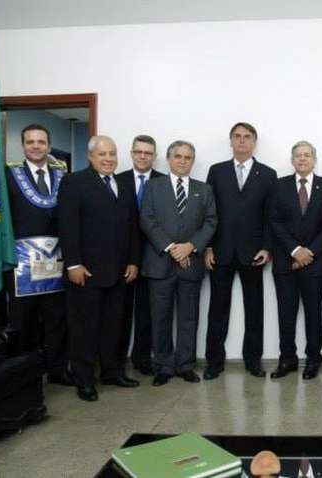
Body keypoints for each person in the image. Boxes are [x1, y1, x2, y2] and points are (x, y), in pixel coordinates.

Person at [58, 135, 141, 401]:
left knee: (113, 326)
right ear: (91, 157)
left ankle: (112, 372)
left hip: (119, 272)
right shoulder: (74, 182)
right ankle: (84, 380)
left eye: (112, 154)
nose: (108, 159)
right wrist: (73, 263)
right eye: (102, 154)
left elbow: (132, 227)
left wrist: (133, 261)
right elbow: (67, 225)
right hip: (86, 271)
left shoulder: (124, 185)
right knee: (85, 328)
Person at [203, 122, 278, 380]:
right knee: (217, 310)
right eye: (237, 136)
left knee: (254, 310)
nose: (242, 141)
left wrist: (267, 248)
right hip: (221, 252)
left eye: (247, 137)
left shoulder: (268, 174)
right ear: (231, 141)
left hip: (253, 253)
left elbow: (271, 216)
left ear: (254, 142)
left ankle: (253, 360)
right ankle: (214, 362)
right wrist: (208, 247)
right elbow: (208, 212)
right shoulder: (217, 171)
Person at [140, 141, 217, 386]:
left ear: (192, 161)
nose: (183, 161)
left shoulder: (204, 189)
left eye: (187, 157)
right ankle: (163, 365)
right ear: (169, 158)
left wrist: (191, 246)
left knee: (189, 317)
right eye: (178, 156)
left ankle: (185, 365)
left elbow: (211, 222)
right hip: (160, 262)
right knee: (160, 318)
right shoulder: (153, 186)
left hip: (190, 264)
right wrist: (172, 248)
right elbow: (147, 219)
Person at [4, 123, 70, 385]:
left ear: (48, 146)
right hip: (23, 263)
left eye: (41, 142)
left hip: (56, 258)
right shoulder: (9, 175)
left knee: (57, 318)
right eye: (30, 142)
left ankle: (57, 370)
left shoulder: (62, 175)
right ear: (23, 146)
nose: (35, 146)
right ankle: (24, 374)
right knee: (24, 321)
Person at [269, 141, 322, 380]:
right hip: (285, 262)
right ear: (292, 160)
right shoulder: (278, 186)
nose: (302, 159)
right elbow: (274, 222)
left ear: (314, 159)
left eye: (307, 155)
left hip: (315, 263)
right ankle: (287, 359)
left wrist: (309, 253)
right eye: (298, 155)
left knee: (313, 313)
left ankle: (313, 359)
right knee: (286, 314)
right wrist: (295, 250)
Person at [116, 135, 165, 376]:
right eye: (138, 152)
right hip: (122, 257)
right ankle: (115, 360)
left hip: (155, 256)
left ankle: (143, 358)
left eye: (148, 153)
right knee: (120, 311)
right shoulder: (116, 180)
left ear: (155, 156)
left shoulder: (165, 182)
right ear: (132, 153)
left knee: (147, 311)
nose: (143, 156)